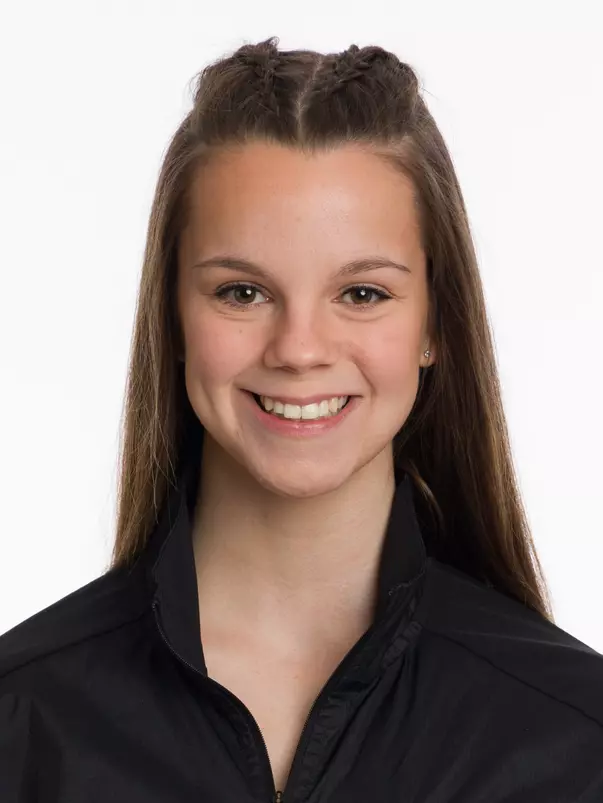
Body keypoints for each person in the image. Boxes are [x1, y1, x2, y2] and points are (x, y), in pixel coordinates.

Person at [1, 36, 602, 803]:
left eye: (362, 294)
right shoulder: (24, 722)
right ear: (172, 316)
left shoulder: (574, 739)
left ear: (433, 324)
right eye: (242, 292)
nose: (298, 349)